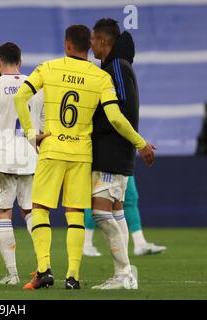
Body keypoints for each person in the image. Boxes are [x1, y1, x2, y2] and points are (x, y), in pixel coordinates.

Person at [14, 25, 155, 290]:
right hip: (81, 153)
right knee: (76, 213)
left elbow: (21, 98)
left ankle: (43, 270)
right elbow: (115, 117)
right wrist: (141, 142)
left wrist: (32, 134)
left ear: (67, 45)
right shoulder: (100, 77)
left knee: (41, 209)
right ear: (88, 46)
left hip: (53, 148)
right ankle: (73, 276)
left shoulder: (48, 68)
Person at [87, 18, 158, 289]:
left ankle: (123, 273)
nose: (91, 44)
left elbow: (121, 112)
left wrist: (138, 142)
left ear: (105, 41)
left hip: (111, 152)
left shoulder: (115, 67)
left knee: (101, 214)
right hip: (118, 151)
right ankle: (126, 274)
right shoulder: (117, 65)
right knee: (116, 213)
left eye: (94, 39)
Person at [0, 42, 44, 285]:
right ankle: (42, 268)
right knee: (31, 212)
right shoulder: (36, 86)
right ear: (20, 62)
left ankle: (13, 275)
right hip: (31, 156)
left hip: (3, 157)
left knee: (3, 213)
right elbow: (43, 127)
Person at [84, 177, 167, 257]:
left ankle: (139, 243)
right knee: (97, 197)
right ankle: (86, 244)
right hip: (102, 164)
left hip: (123, 163)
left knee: (130, 198)